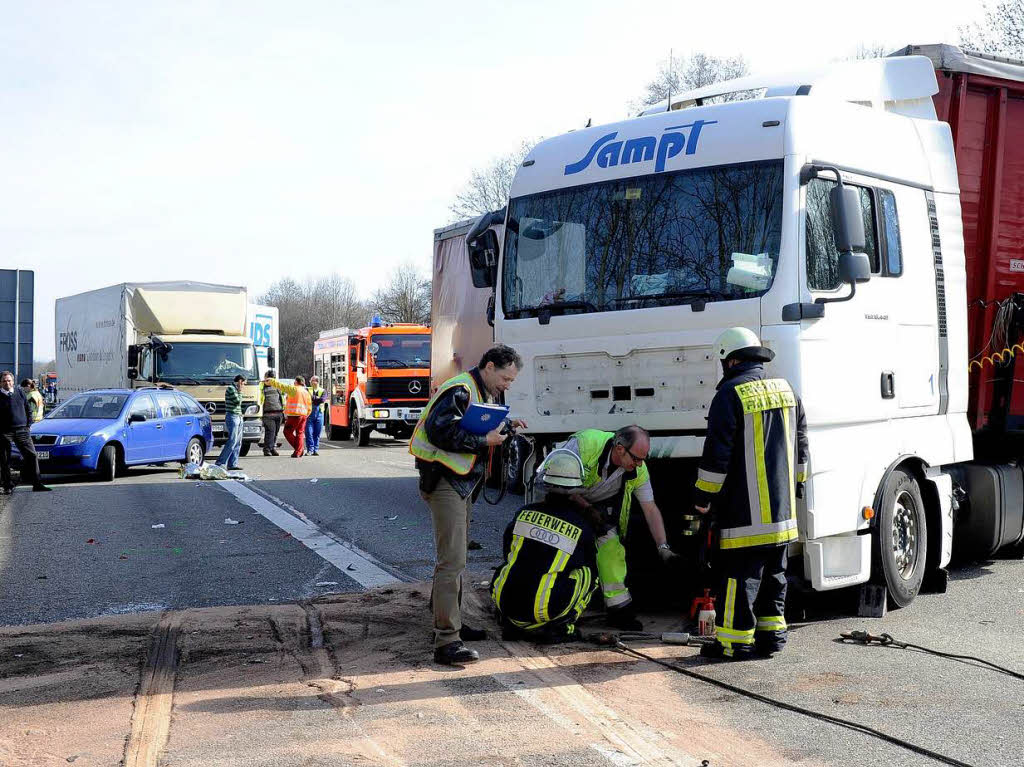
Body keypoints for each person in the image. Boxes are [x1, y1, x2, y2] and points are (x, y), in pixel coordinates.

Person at [693, 327, 808, 660]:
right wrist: (795, 487)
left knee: (737, 579)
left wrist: (702, 498)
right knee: (775, 574)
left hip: (744, 514)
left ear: (730, 361)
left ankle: (733, 643)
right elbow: (802, 447)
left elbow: (717, 457)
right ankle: (772, 639)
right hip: (783, 514)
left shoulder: (729, 394)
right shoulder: (788, 391)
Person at [410, 344, 527, 666]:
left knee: (455, 558)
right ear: (489, 366)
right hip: (445, 480)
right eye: (505, 378)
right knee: (452, 561)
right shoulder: (460, 389)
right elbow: (439, 432)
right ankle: (446, 640)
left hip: (461, 482)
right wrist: (484, 441)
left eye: (511, 381)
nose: (507, 385)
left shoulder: (483, 390)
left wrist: (507, 427)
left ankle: (450, 624)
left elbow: (474, 427)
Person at [538, 425, 676, 631]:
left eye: (642, 459)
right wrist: (586, 509)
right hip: (562, 501)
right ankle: (549, 605)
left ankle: (619, 611)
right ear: (620, 449)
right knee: (562, 551)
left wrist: (663, 547)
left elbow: (650, 509)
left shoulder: (638, 468)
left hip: (595, 508)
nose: (639, 465)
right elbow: (553, 480)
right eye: (636, 458)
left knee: (611, 548)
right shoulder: (586, 445)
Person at [492, 449, 598, 643]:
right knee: (589, 574)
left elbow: (507, 551)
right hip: (544, 611)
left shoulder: (523, 512)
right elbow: (586, 564)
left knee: (510, 564)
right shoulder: (581, 527)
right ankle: (564, 627)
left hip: (508, 604)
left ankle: (511, 622)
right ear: (575, 490)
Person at [0, 370, 50, 493]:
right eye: (4, 381)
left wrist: (28, 425)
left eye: (9, 380)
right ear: (0, 383)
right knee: (5, 459)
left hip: (22, 430)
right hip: (4, 432)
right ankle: (7, 485)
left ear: (13, 381)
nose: (7, 383)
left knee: (32, 455)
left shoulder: (20, 392)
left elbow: (28, 409)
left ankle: (37, 483)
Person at [268, 376, 312, 457]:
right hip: (303, 415)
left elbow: (282, 386)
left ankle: (299, 449)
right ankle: (299, 451)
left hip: (294, 415)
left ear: (296, 382)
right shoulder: (306, 392)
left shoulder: (294, 389)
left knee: (287, 432)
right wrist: (306, 415)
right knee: (300, 433)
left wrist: (271, 381)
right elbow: (309, 406)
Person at [215, 374, 246, 470]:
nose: (244, 386)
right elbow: (238, 401)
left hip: (238, 416)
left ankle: (232, 464)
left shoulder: (235, 389)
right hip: (232, 416)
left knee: (238, 442)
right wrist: (240, 391)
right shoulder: (231, 389)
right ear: (240, 381)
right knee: (232, 441)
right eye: (244, 383)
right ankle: (220, 463)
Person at [259, 369, 284, 456]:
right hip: (268, 413)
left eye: (273, 378)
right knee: (270, 432)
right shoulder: (261, 387)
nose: (271, 380)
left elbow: (281, 399)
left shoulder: (278, 387)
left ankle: (272, 448)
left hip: (278, 412)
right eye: (269, 378)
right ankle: (267, 449)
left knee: (276, 432)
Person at [305, 375, 328, 456]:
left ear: (316, 382)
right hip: (309, 414)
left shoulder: (323, 391)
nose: (310, 382)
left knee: (317, 433)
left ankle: (315, 450)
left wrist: (313, 398)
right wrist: (316, 398)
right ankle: (310, 450)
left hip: (319, 414)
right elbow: (308, 398)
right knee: (309, 433)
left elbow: (322, 400)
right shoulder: (307, 389)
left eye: (312, 381)